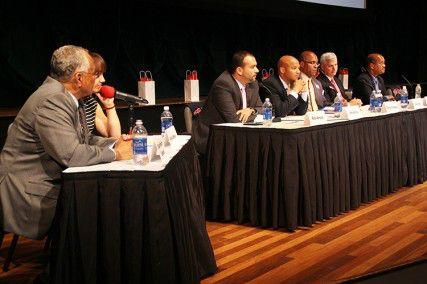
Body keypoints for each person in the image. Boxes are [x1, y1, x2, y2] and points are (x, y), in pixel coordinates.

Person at [0, 45, 132, 240]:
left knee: (105, 197)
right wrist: (117, 154)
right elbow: (71, 155)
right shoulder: (53, 100)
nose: (101, 79)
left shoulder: (66, 97)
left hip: (48, 180)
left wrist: (115, 143)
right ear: (79, 78)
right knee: (103, 204)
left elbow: (84, 140)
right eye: (93, 74)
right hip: (28, 191)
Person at [192, 50, 262, 154]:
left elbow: (263, 109)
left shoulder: (253, 83)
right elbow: (234, 120)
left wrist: (251, 110)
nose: (257, 70)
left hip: (236, 135)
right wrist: (255, 114)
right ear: (239, 70)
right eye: (252, 67)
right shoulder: (223, 84)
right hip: (212, 138)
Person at [82, 52, 121, 138]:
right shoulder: (67, 102)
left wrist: (110, 106)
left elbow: (115, 137)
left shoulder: (90, 103)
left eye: (102, 74)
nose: (103, 80)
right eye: (97, 75)